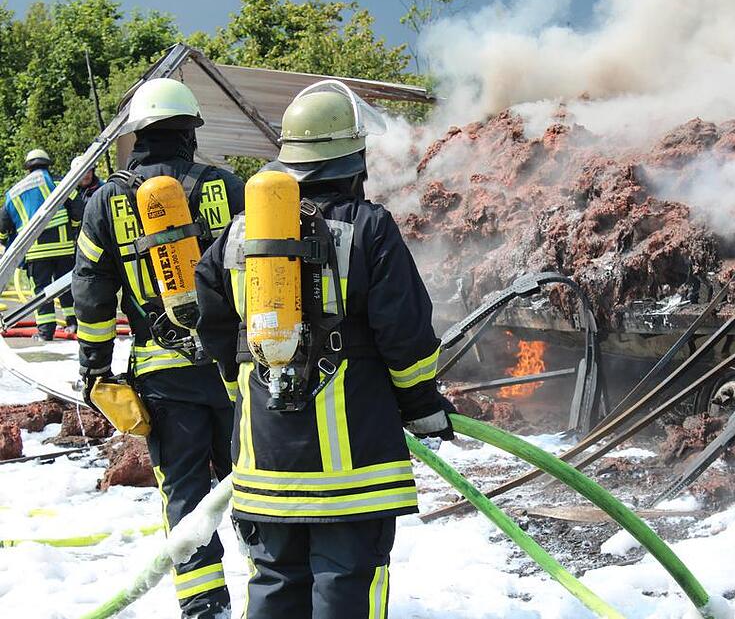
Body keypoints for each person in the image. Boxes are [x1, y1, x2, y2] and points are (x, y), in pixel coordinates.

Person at [195, 81, 455, 618]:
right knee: (346, 586)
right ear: (355, 159)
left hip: (264, 461)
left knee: (273, 583)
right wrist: (422, 406)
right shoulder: (369, 227)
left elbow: (216, 333)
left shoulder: (237, 236)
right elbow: (405, 335)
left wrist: (245, 398)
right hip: (352, 469)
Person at [71, 78, 243, 619]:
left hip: (164, 376)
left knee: (186, 493)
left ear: (137, 134)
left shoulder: (107, 200)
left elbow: (91, 293)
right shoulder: (226, 186)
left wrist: (94, 367)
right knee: (255, 484)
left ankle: (203, 605)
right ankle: (274, 595)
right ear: (191, 131)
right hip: (237, 371)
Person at [0, 149, 82, 339]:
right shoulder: (59, 182)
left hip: (35, 251)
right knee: (67, 286)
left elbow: (3, 224)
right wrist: (74, 229)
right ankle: (73, 324)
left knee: (41, 291)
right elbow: (78, 207)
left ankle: (45, 332)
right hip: (64, 247)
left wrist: (4, 242)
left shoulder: (14, 192)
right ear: (47, 164)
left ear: (27, 168)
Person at [70, 155, 103, 220]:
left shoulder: (102, 190)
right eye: (82, 172)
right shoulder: (69, 191)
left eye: (89, 171)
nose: (86, 175)